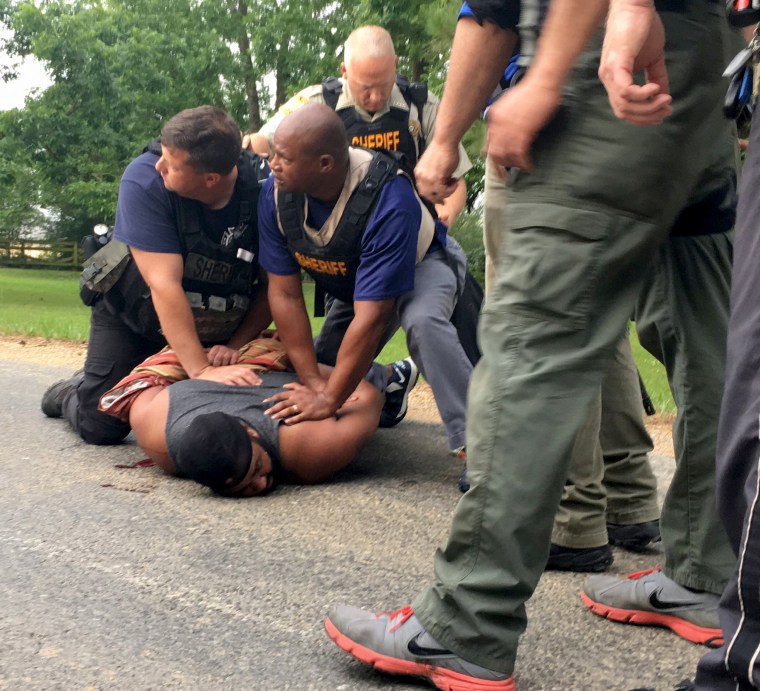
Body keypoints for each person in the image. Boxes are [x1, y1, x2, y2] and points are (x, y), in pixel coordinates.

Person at [324, 0, 736, 688]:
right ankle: (704, 567)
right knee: (706, 326)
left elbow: (491, 8)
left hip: (604, 56)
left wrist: (526, 87)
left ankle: (466, 618)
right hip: (707, 64)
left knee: (531, 339)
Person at [600, 2, 760, 688]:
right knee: (692, 324)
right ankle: (697, 555)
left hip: (674, 58)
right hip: (713, 61)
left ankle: (699, 572)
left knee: (705, 339)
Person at [41, 106, 272, 445]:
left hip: (215, 323)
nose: (159, 165)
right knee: (101, 425)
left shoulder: (267, 190)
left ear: (210, 178)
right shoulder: (144, 178)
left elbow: (275, 286)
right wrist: (201, 369)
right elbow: (163, 283)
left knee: (211, 402)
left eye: (172, 164)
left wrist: (233, 349)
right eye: (161, 156)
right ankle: (73, 392)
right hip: (134, 313)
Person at [256, 102, 472, 465]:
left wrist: (328, 400)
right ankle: (391, 378)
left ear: (325, 163)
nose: (273, 164)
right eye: (273, 153)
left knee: (422, 322)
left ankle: (480, 447)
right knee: (326, 368)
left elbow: (373, 316)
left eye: (285, 158)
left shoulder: (388, 196)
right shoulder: (275, 192)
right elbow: (285, 293)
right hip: (359, 279)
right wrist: (314, 383)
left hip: (424, 262)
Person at [246, 25, 472, 231]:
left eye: (384, 85)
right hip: (338, 237)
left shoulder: (423, 107)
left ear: (394, 64)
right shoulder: (316, 103)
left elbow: (455, 178)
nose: (375, 97)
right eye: (365, 88)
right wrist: (245, 143)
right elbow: (261, 142)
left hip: (409, 231)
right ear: (344, 71)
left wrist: (447, 212)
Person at [96, 338, 384, 495]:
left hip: (260, 366)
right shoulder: (163, 443)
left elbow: (371, 397)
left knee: (350, 382)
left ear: (253, 433)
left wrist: (327, 394)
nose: (260, 484)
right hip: (204, 386)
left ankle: (391, 375)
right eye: (241, 487)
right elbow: (366, 396)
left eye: (257, 467)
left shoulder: (307, 447)